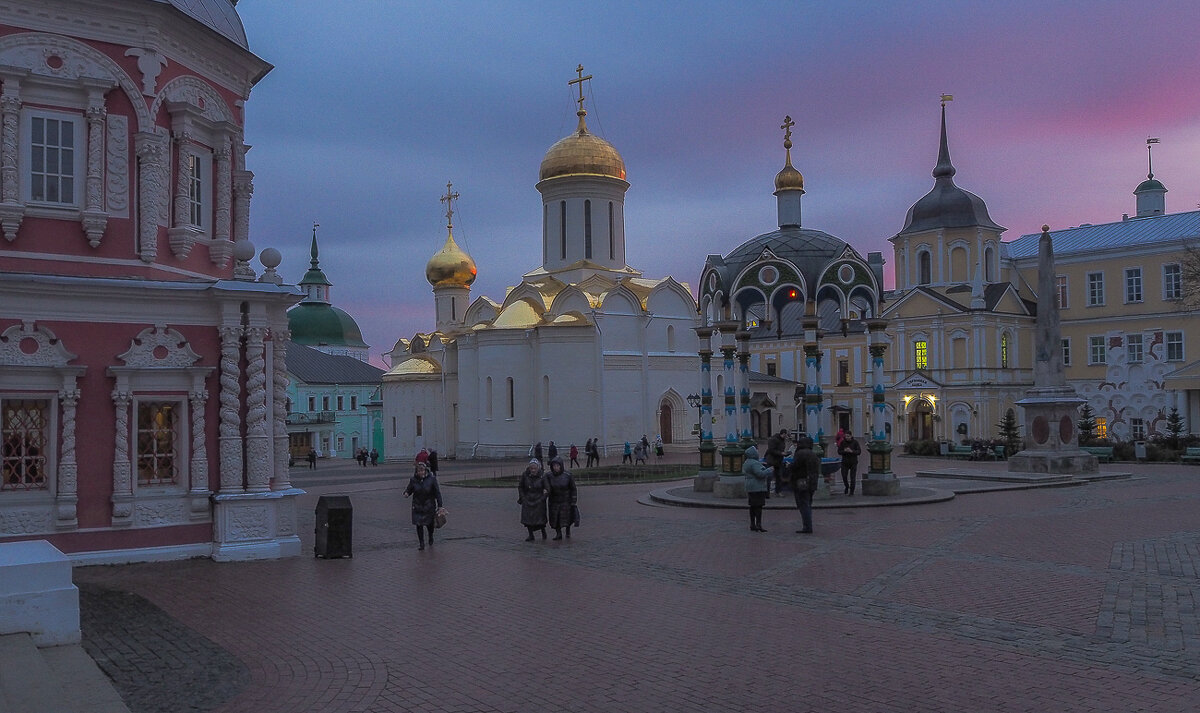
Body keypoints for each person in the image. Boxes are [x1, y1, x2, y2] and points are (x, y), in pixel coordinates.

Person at [404, 461, 443, 551]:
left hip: (429, 506)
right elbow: (409, 489)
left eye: (423, 471)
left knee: (429, 525)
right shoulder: (413, 480)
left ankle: (430, 536)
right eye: (419, 471)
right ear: (416, 472)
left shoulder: (432, 479)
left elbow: (437, 493)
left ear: (425, 471)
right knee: (419, 525)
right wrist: (406, 493)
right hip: (417, 506)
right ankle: (421, 543)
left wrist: (440, 505)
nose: (421, 473)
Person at [789, 436, 820, 534]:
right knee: (808, 503)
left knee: (803, 505)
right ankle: (808, 525)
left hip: (801, 482)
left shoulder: (800, 453)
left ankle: (807, 526)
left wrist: (788, 467)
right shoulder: (813, 454)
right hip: (812, 482)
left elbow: (795, 466)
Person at [545, 456, 578, 540]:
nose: (556, 468)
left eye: (557, 465)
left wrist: (573, 500)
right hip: (554, 500)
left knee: (567, 517)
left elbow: (573, 488)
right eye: (554, 466)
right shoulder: (549, 476)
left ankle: (568, 530)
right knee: (555, 518)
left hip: (566, 500)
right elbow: (546, 487)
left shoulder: (568, 475)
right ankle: (558, 533)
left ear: (561, 466)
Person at [517, 459, 549, 541]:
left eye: (535, 468)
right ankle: (530, 534)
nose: (533, 470)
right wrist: (523, 497)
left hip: (539, 500)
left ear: (538, 468)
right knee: (527, 518)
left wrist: (543, 497)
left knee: (540, 518)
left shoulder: (543, 476)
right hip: (528, 499)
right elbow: (521, 486)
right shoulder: (525, 475)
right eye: (531, 468)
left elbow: (547, 488)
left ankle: (543, 532)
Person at [742, 444, 771, 532]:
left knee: (752, 506)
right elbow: (760, 474)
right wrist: (769, 470)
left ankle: (752, 524)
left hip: (750, 486)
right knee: (759, 506)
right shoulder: (754, 463)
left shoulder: (747, 462)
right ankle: (758, 524)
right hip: (757, 486)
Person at [838, 430, 861, 495]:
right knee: (844, 476)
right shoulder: (843, 442)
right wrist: (845, 451)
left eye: (848, 436)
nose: (847, 437)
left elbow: (859, 452)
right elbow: (839, 451)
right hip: (845, 462)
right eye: (845, 436)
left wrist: (852, 451)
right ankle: (846, 486)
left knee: (852, 477)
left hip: (853, 462)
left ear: (851, 436)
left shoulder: (855, 442)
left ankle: (852, 491)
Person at [765, 428, 788, 495]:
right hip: (772, 461)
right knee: (770, 476)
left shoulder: (780, 440)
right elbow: (771, 450)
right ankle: (768, 492)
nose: (786, 437)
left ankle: (777, 491)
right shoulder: (774, 440)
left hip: (778, 461)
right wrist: (781, 453)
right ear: (783, 434)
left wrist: (783, 453)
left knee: (778, 477)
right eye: (785, 435)